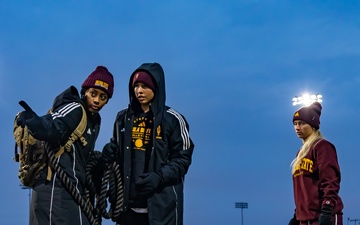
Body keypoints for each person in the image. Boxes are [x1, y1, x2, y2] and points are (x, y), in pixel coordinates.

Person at [16, 66, 115, 225]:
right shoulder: (76, 108)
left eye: (103, 97)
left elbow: (81, 161)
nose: (97, 100)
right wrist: (35, 123)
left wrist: (103, 161)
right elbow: (54, 125)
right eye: (93, 94)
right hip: (54, 192)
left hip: (72, 194)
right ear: (85, 93)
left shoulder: (94, 121)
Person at [102, 62, 194, 225]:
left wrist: (158, 177)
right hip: (127, 211)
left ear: (156, 86)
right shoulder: (122, 118)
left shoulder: (173, 119)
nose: (139, 90)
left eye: (144, 85)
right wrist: (110, 151)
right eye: (136, 86)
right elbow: (116, 154)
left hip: (161, 211)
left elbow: (183, 159)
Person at [289, 102, 344, 225]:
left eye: (302, 123)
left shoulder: (322, 146)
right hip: (304, 219)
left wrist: (327, 210)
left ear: (313, 125)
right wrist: (297, 214)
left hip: (323, 215)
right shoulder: (300, 154)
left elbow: (330, 180)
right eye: (295, 124)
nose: (297, 127)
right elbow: (304, 189)